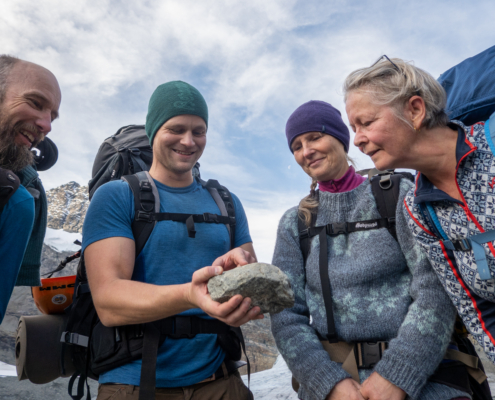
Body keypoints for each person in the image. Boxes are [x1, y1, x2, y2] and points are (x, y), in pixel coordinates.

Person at [270, 100, 472, 400]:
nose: (306, 151)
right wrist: (329, 384)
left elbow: (436, 288)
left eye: (314, 137)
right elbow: (285, 314)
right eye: (296, 146)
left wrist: (398, 375)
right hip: (335, 388)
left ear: (340, 138)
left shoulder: (398, 194)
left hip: (425, 380)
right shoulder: (295, 223)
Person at [82, 81, 261, 400]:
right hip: (134, 384)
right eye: (175, 128)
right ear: (153, 131)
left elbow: (251, 280)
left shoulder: (227, 202)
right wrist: (191, 296)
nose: (189, 141)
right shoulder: (117, 197)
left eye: (199, 130)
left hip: (221, 380)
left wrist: (246, 276)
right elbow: (109, 302)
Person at [344, 56, 495, 365]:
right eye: (353, 128)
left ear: (415, 109)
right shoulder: (417, 210)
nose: (357, 140)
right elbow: (474, 307)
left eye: (367, 123)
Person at [0, 55, 61, 324]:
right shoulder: (17, 201)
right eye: (35, 103)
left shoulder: (17, 200)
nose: (46, 126)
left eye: (52, 118)